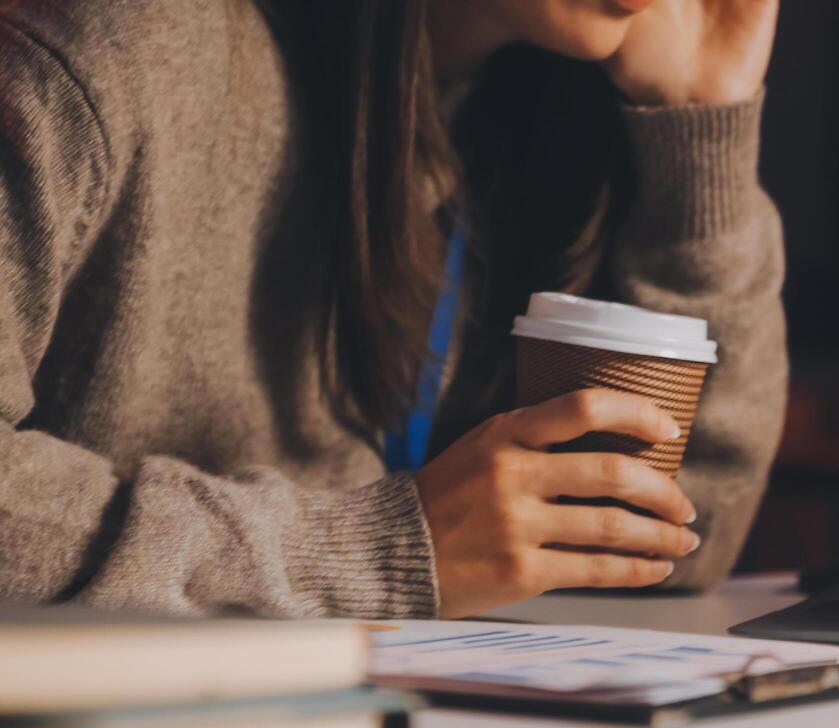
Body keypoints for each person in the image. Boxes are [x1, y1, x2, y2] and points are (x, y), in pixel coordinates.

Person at [0, 0, 787, 619]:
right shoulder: (104, 55)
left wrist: (701, 131)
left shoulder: (541, 111)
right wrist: (379, 554)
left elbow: (682, 536)